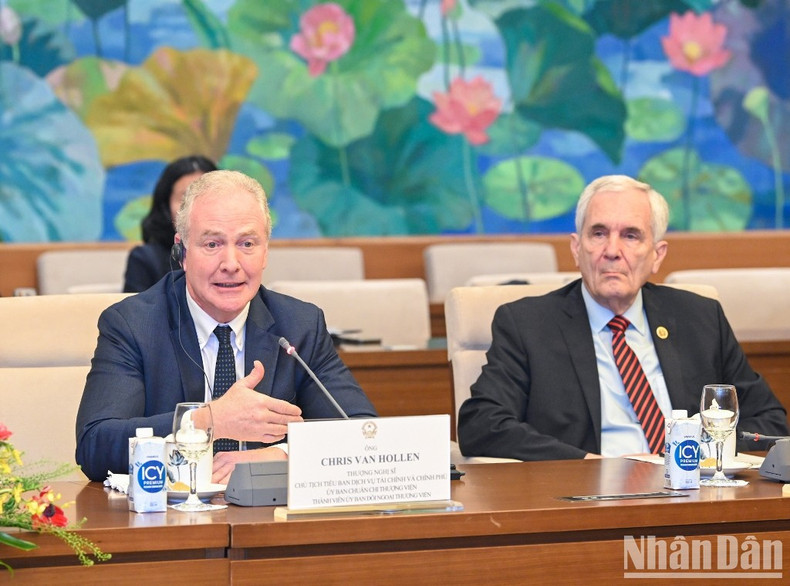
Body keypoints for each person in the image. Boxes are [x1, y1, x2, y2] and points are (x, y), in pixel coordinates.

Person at [457, 175, 788, 461]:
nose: (612, 251)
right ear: (576, 248)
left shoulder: (699, 318)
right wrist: (589, 464)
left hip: (692, 494)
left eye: (631, 235)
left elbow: (770, 422)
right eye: (599, 234)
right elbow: (482, 424)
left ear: (657, 255)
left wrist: (694, 453)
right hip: (587, 503)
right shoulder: (528, 324)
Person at [77, 170, 377, 483]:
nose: (231, 263)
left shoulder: (299, 325)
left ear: (265, 252)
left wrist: (282, 455)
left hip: (266, 518)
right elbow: (95, 446)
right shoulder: (133, 325)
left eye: (247, 243)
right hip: (169, 518)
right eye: (212, 244)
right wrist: (209, 420)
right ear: (182, 251)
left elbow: (363, 433)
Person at [123, 155, 217, 293]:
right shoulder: (145, 259)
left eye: (206, 197)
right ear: (166, 206)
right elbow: (133, 313)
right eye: (185, 198)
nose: (196, 208)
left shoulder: (233, 256)